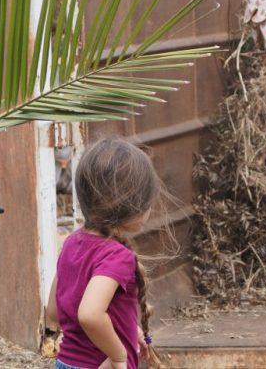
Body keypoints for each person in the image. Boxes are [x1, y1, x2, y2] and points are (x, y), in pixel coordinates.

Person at [45, 138, 162, 369]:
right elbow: (89, 314)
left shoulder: (72, 242)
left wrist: (128, 329)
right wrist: (118, 355)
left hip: (66, 362)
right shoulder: (117, 256)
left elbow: (54, 311)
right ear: (135, 204)